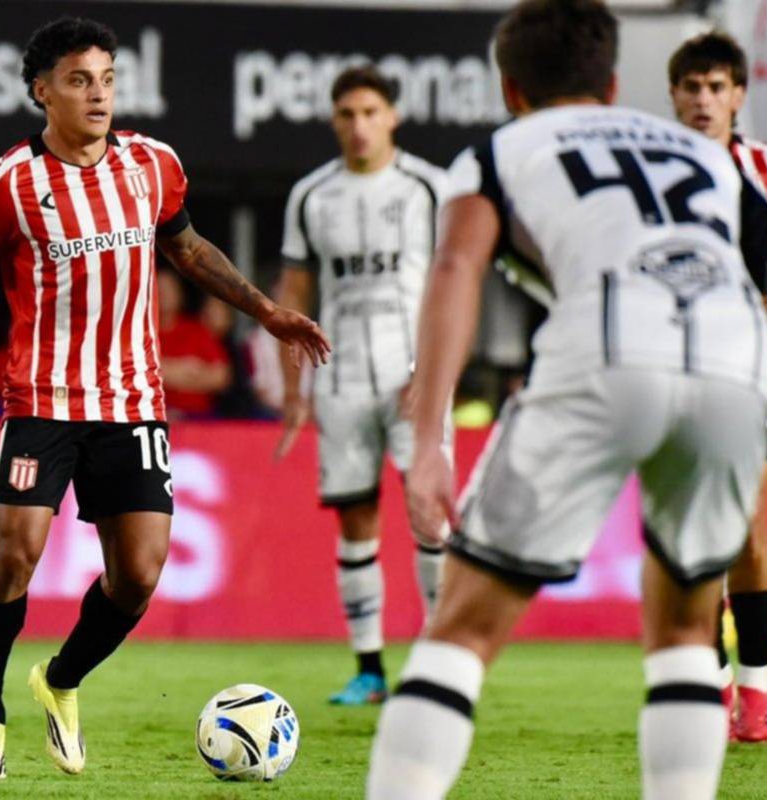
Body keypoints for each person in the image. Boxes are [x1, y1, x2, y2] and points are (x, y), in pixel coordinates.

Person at [366, 2, 767, 799]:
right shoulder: (707, 156)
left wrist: (431, 435)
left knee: (463, 628)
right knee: (686, 630)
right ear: (612, 84)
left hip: (606, 350)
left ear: (511, 89)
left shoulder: (500, 151)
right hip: (737, 369)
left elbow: (456, 269)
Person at [0, 17, 329, 780]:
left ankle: (60, 679)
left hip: (132, 402)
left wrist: (266, 312)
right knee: (14, 557)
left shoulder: (152, 164)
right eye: (80, 81)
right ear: (42, 91)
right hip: (43, 400)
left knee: (140, 575)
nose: (98, 95)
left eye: (108, 80)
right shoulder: (9, 182)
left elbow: (188, 248)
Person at [275, 65, 451, 705]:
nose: (359, 125)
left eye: (371, 112)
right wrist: (293, 392)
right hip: (341, 376)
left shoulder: (431, 188)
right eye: (347, 114)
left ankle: (436, 665)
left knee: (429, 513)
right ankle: (370, 669)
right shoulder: (311, 195)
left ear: (393, 117)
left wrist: (435, 371)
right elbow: (294, 294)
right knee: (356, 520)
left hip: (414, 376)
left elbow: (456, 282)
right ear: (334, 120)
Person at [667, 30, 767, 742]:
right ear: (674, 95)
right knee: (686, 538)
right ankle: (715, 679)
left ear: (739, 95)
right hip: (668, 372)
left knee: (747, 525)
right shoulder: (650, 172)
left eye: (716, 87)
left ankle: (755, 694)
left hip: (750, 369)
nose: (704, 100)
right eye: (692, 87)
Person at [156, 269, 232, 419]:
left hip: (199, 418)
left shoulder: (197, 330)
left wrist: (163, 372)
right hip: (154, 417)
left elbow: (222, 377)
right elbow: (132, 374)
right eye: (159, 289)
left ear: (179, 294)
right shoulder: (140, 333)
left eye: (169, 289)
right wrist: (184, 370)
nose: (164, 294)